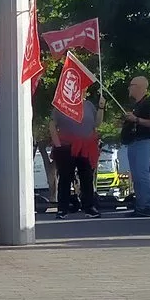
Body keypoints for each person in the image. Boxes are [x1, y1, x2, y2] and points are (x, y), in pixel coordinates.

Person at [51, 85, 102, 217]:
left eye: (84, 89)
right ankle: (62, 208)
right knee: (65, 177)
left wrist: (101, 108)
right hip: (66, 146)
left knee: (87, 177)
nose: (83, 91)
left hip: (86, 147)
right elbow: (52, 124)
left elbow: (97, 123)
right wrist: (57, 144)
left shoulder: (88, 105)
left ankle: (89, 207)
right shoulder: (62, 105)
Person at [115, 76, 150, 215]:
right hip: (134, 141)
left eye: (131, 85)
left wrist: (136, 119)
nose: (129, 88)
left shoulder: (149, 103)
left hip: (144, 141)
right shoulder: (137, 105)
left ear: (139, 87)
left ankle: (148, 205)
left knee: (142, 173)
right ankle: (141, 205)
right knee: (136, 175)